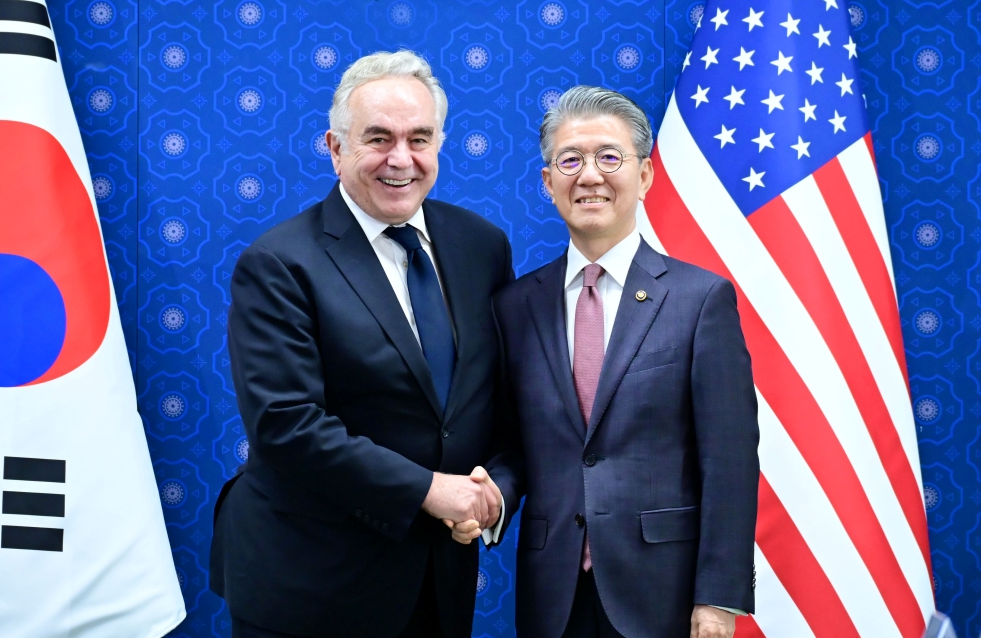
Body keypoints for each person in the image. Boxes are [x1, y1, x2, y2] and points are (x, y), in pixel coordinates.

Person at [209, 50, 512, 638]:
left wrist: (495, 495)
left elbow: (497, 401)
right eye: (378, 138)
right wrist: (429, 490)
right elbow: (286, 423)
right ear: (335, 147)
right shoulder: (279, 262)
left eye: (419, 138)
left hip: (437, 578)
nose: (401, 159)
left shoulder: (482, 246)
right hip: (312, 584)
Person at [461, 86, 759, 638]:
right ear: (549, 182)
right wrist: (491, 496)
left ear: (644, 176)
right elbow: (513, 444)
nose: (590, 175)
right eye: (570, 160)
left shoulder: (700, 300)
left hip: (664, 594)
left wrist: (718, 598)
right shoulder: (514, 307)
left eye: (609, 157)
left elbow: (730, 462)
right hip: (554, 594)